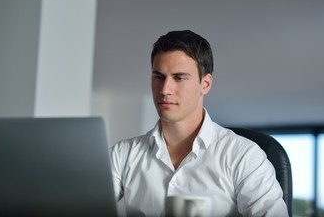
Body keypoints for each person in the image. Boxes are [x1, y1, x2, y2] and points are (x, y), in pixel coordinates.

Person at [109, 30, 289, 216]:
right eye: (158, 77)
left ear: (205, 84)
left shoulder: (243, 156)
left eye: (179, 78)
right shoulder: (122, 155)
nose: (165, 89)